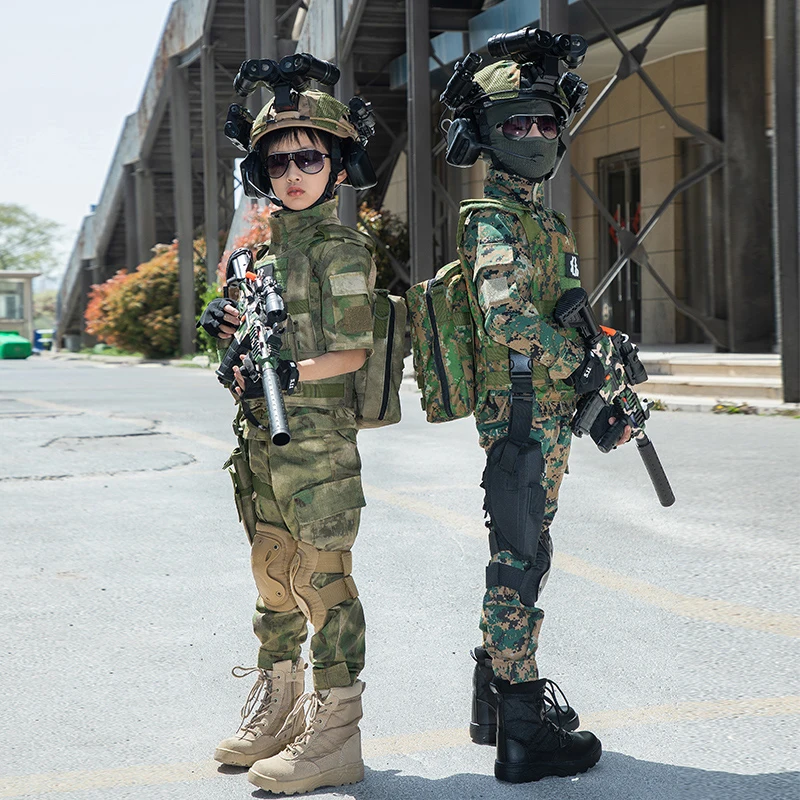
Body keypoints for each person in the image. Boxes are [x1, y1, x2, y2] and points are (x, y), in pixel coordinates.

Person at [436, 46, 632, 783]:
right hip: (520, 418)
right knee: (517, 563)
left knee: (528, 550)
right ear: (483, 139)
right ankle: (523, 727)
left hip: (546, 412)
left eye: (545, 122)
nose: (534, 136)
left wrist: (601, 360)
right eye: (513, 127)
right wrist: (573, 360)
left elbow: (557, 314)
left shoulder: (539, 221)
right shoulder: (493, 218)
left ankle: (494, 697)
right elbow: (506, 319)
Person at [198, 85, 377, 795]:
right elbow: (244, 343)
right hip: (260, 445)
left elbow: (353, 351)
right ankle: (278, 708)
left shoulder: (340, 249)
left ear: (338, 167)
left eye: (309, 157)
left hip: (317, 445)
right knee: (273, 576)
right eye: (277, 164)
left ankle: (335, 734)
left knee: (323, 582)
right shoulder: (262, 255)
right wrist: (227, 332)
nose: (292, 173)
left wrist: (287, 372)